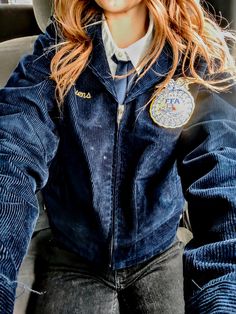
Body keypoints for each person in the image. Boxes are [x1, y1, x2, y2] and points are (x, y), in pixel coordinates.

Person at [0, 0, 236, 313]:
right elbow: (12, 151)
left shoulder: (196, 58)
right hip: (75, 254)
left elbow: (222, 164)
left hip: (157, 251)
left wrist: (224, 297)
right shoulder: (53, 54)